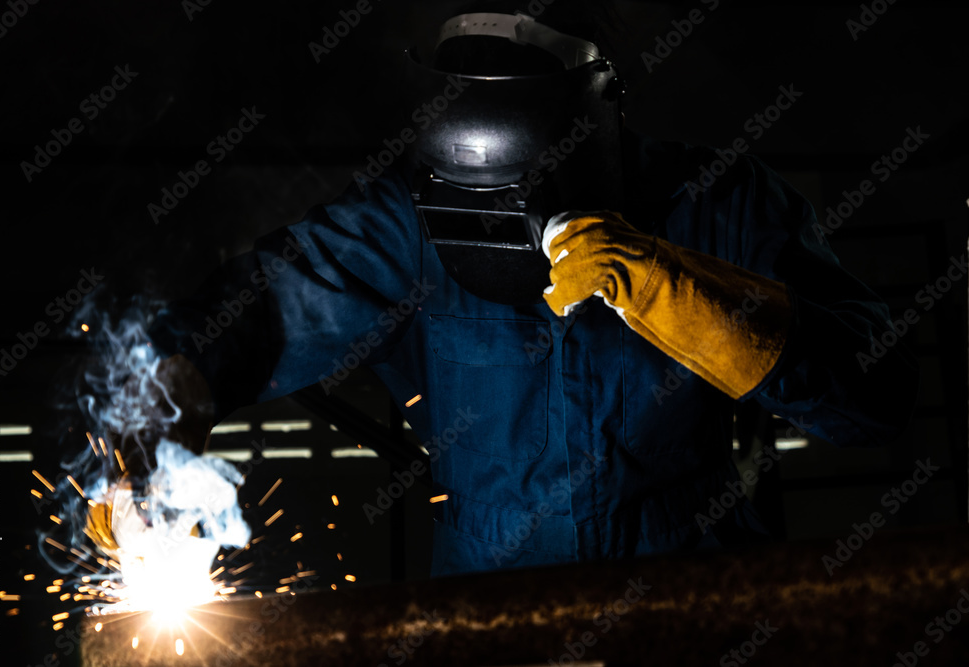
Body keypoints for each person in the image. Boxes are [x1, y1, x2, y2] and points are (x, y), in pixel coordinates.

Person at [128, 6, 917, 577]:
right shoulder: (407, 219)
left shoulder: (721, 203)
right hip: (492, 617)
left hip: (693, 597)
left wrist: (680, 289)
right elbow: (255, 309)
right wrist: (153, 416)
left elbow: (879, 393)